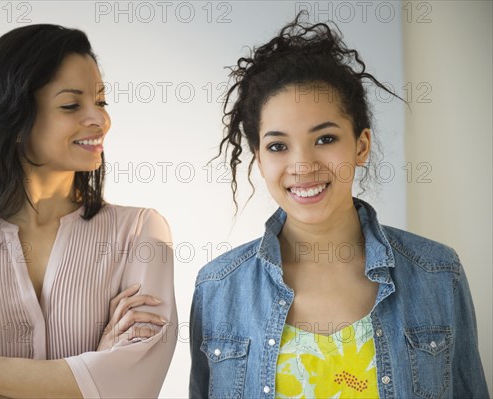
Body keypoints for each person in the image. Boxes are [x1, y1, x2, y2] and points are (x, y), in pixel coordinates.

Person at [189, 12, 489, 399]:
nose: (303, 166)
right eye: (278, 146)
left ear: (360, 146)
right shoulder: (218, 289)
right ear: (260, 160)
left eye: (325, 138)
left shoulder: (437, 273)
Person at [0, 24, 177, 398]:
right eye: (71, 105)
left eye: (101, 102)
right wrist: (93, 369)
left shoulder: (141, 232)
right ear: (12, 119)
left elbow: (133, 386)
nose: (100, 119)